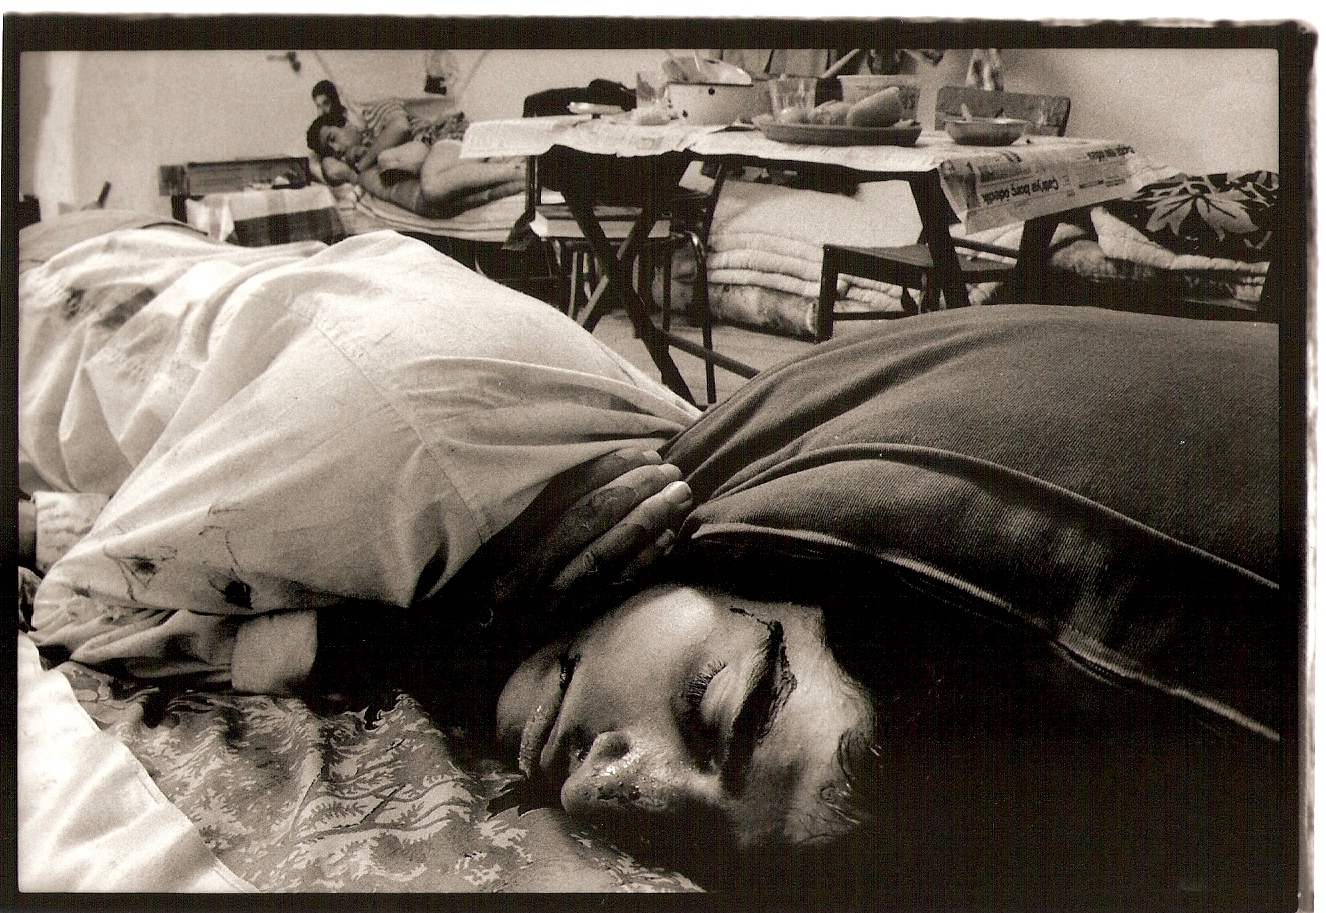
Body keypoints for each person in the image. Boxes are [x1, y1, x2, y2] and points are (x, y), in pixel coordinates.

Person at [16, 212, 1290, 906]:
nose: (616, 788)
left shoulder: (635, 551)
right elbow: (79, 616)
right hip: (66, 294)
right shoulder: (411, 439)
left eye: (695, 830)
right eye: (712, 711)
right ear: (753, 557)